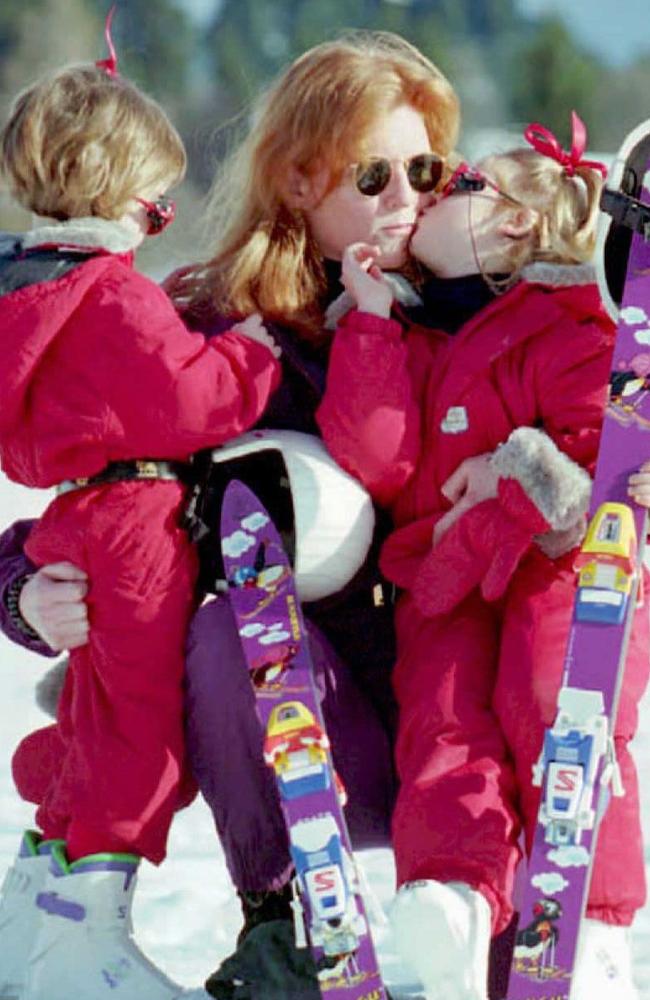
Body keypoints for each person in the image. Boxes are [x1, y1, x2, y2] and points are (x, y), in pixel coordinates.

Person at [0, 31, 467, 1000]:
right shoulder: (211, 335)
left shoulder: (472, 323)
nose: (406, 199)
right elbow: (99, 502)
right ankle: (286, 927)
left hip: (442, 726)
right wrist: (21, 592)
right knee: (229, 622)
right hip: (291, 718)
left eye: (426, 170)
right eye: (372, 174)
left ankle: (484, 916)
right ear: (298, 180)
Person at [316, 114, 650, 1000]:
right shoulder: (416, 331)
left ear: (511, 224)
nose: (430, 193)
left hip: (562, 573)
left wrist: (514, 471)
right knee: (444, 726)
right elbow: (376, 455)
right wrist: (374, 329)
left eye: (459, 185)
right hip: (451, 583)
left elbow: (605, 457)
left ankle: (596, 925)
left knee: (559, 711)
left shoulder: (574, 317)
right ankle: (452, 898)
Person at [0, 33, 283, 1000]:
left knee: (93, 714)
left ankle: (34, 903)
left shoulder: (33, 290)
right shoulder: (114, 296)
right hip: (137, 526)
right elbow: (189, 398)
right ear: (119, 192)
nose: (162, 219)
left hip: (78, 511)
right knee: (140, 732)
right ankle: (90, 936)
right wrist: (252, 353)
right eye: (155, 202)